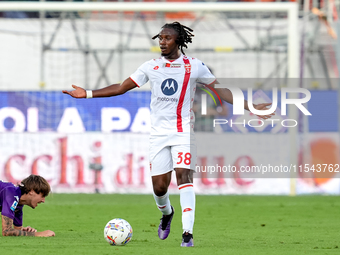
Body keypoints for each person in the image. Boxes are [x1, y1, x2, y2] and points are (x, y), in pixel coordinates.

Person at [62, 21, 273, 247]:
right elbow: (121, 87)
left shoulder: (194, 66)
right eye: (160, 38)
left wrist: (250, 106)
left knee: (184, 176)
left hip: (183, 132)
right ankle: (167, 213)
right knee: (160, 188)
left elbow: (221, 90)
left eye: (167, 38)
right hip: (158, 135)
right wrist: (88, 93)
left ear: (178, 41)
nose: (162, 42)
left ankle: (187, 234)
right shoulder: (150, 67)